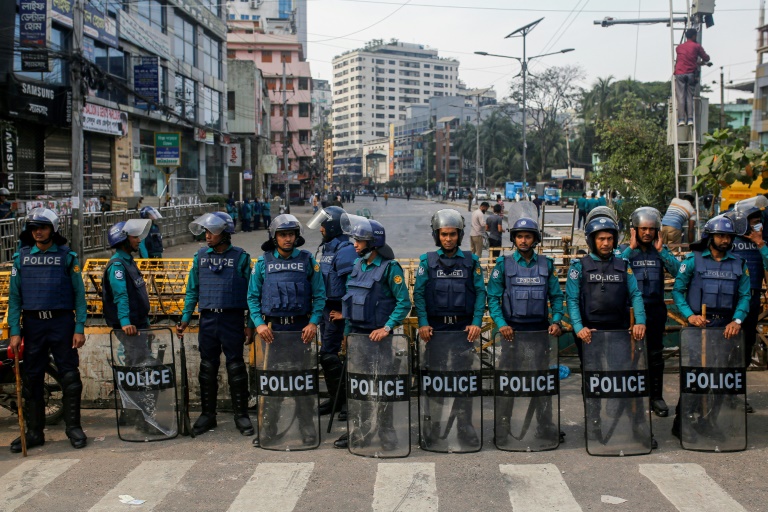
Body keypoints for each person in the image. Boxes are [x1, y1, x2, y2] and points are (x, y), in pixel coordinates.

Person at [565, 217, 651, 446]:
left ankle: (635, 427)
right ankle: (593, 427)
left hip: (620, 332)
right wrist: (579, 328)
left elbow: (636, 295)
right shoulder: (578, 267)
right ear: (592, 240)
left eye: (610, 238)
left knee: (625, 380)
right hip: (590, 335)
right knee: (592, 381)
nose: (606, 243)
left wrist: (640, 321)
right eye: (601, 239)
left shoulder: (624, 265)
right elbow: (572, 300)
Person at [8, 208, 87, 452]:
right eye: (34, 228)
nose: (38, 232)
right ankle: (34, 432)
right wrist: (14, 330)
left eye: (42, 227)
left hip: (61, 322)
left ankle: (73, 428)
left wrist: (79, 327)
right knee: (32, 380)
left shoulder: (67, 257)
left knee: (70, 377)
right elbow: (15, 297)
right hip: (33, 324)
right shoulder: (21, 258)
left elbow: (79, 295)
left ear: (53, 229)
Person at [333, 216, 411, 449]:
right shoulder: (357, 266)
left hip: (379, 340)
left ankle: (386, 431)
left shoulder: (390, 268)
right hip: (357, 338)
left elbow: (403, 303)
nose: (355, 244)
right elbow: (349, 302)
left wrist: (387, 328)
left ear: (373, 243)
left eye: (359, 240)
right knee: (358, 388)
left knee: (383, 387)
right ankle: (360, 430)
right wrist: (346, 335)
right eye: (355, 240)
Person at [671, 214, 751, 441]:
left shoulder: (739, 263)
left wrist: (736, 321)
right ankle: (682, 421)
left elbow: (745, 296)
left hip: (725, 330)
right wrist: (689, 317)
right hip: (698, 327)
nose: (725, 240)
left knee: (720, 379)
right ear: (710, 236)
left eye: (728, 236)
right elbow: (678, 291)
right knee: (695, 376)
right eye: (720, 235)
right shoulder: (693, 260)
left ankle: (708, 420)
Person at [248, 214, 326, 446]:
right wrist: (259, 324)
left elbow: (319, 296)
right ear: (274, 237)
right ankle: (268, 430)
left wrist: (313, 322)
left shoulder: (307, 260)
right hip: (271, 332)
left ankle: (307, 428)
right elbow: (252, 298)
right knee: (273, 384)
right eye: (283, 235)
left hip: (300, 331)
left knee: (302, 382)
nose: (288, 239)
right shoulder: (262, 264)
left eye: (291, 234)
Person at [487, 215, 564, 443]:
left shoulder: (546, 265)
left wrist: (557, 321)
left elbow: (557, 297)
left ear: (535, 239)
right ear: (514, 239)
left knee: (542, 381)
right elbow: (493, 298)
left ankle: (545, 425)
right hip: (512, 334)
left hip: (539, 334)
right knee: (507, 381)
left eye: (527, 236)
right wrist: (502, 325)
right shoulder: (503, 265)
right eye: (519, 236)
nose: (523, 240)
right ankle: (502, 427)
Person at [413, 209, 486, 448]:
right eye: (444, 234)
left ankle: (465, 427)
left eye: (453, 234)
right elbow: (419, 294)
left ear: (460, 235)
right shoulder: (427, 262)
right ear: (437, 235)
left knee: (463, 381)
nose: (448, 239)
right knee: (436, 382)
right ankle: (434, 426)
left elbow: (480, 293)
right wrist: (423, 323)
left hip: (463, 333)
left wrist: (476, 322)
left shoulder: (471, 261)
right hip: (436, 333)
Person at [178, 212, 255, 437]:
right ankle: (207, 414)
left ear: (225, 234)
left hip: (232, 319)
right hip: (208, 319)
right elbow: (193, 290)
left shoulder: (241, 258)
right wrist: (185, 318)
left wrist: (250, 324)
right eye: (206, 231)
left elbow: (251, 295)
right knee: (207, 368)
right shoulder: (200, 257)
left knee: (236, 368)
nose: (207, 235)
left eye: (212, 231)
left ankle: (241, 415)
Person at [621, 208, 681, 418]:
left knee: (655, 355)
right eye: (643, 228)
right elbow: (614, 269)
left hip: (655, 309)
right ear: (635, 229)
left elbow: (678, 271)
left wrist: (662, 250)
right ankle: (632, 396)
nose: (647, 232)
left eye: (651, 228)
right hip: (629, 312)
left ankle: (656, 396)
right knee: (629, 355)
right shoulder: (624, 251)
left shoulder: (660, 250)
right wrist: (630, 248)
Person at [101, 218, 156, 432]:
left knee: (137, 369)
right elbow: (121, 295)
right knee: (138, 371)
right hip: (130, 329)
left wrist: (146, 324)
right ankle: (142, 420)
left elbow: (139, 297)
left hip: (139, 326)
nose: (138, 240)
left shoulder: (129, 262)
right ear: (123, 240)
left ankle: (134, 414)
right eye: (134, 237)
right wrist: (125, 322)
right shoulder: (117, 265)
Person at [307, 206, 358, 420]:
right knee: (327, 355)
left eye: (323, 225)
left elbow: (351, 287)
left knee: (331, 355)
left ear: (333, 226)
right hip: (327, 310)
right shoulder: (328, 248)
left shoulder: (345, 250)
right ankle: (336, 398)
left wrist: (346, 316)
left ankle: (345, 401)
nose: (320, 229)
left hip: (338, 311)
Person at [727, 200, 768, 413]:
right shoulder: (727, 236)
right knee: (723, 346)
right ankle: (719, 392)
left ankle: (737, 394)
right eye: (752, 223)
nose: (756, 227)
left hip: (751, 299)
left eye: (759, 223)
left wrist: (760, 243)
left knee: (745, 346)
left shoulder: (762, 241)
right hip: (726, 299)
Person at [675, 28, 710, 126]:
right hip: (690, 73)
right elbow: (706, 58)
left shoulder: (679, 48)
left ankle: (681, 119)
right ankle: (690, 119)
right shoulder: (697, 46)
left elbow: (685, 58)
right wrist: (704, 60)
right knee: (689, 97)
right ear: (694, 36)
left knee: (681, 97)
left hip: (679, 73)